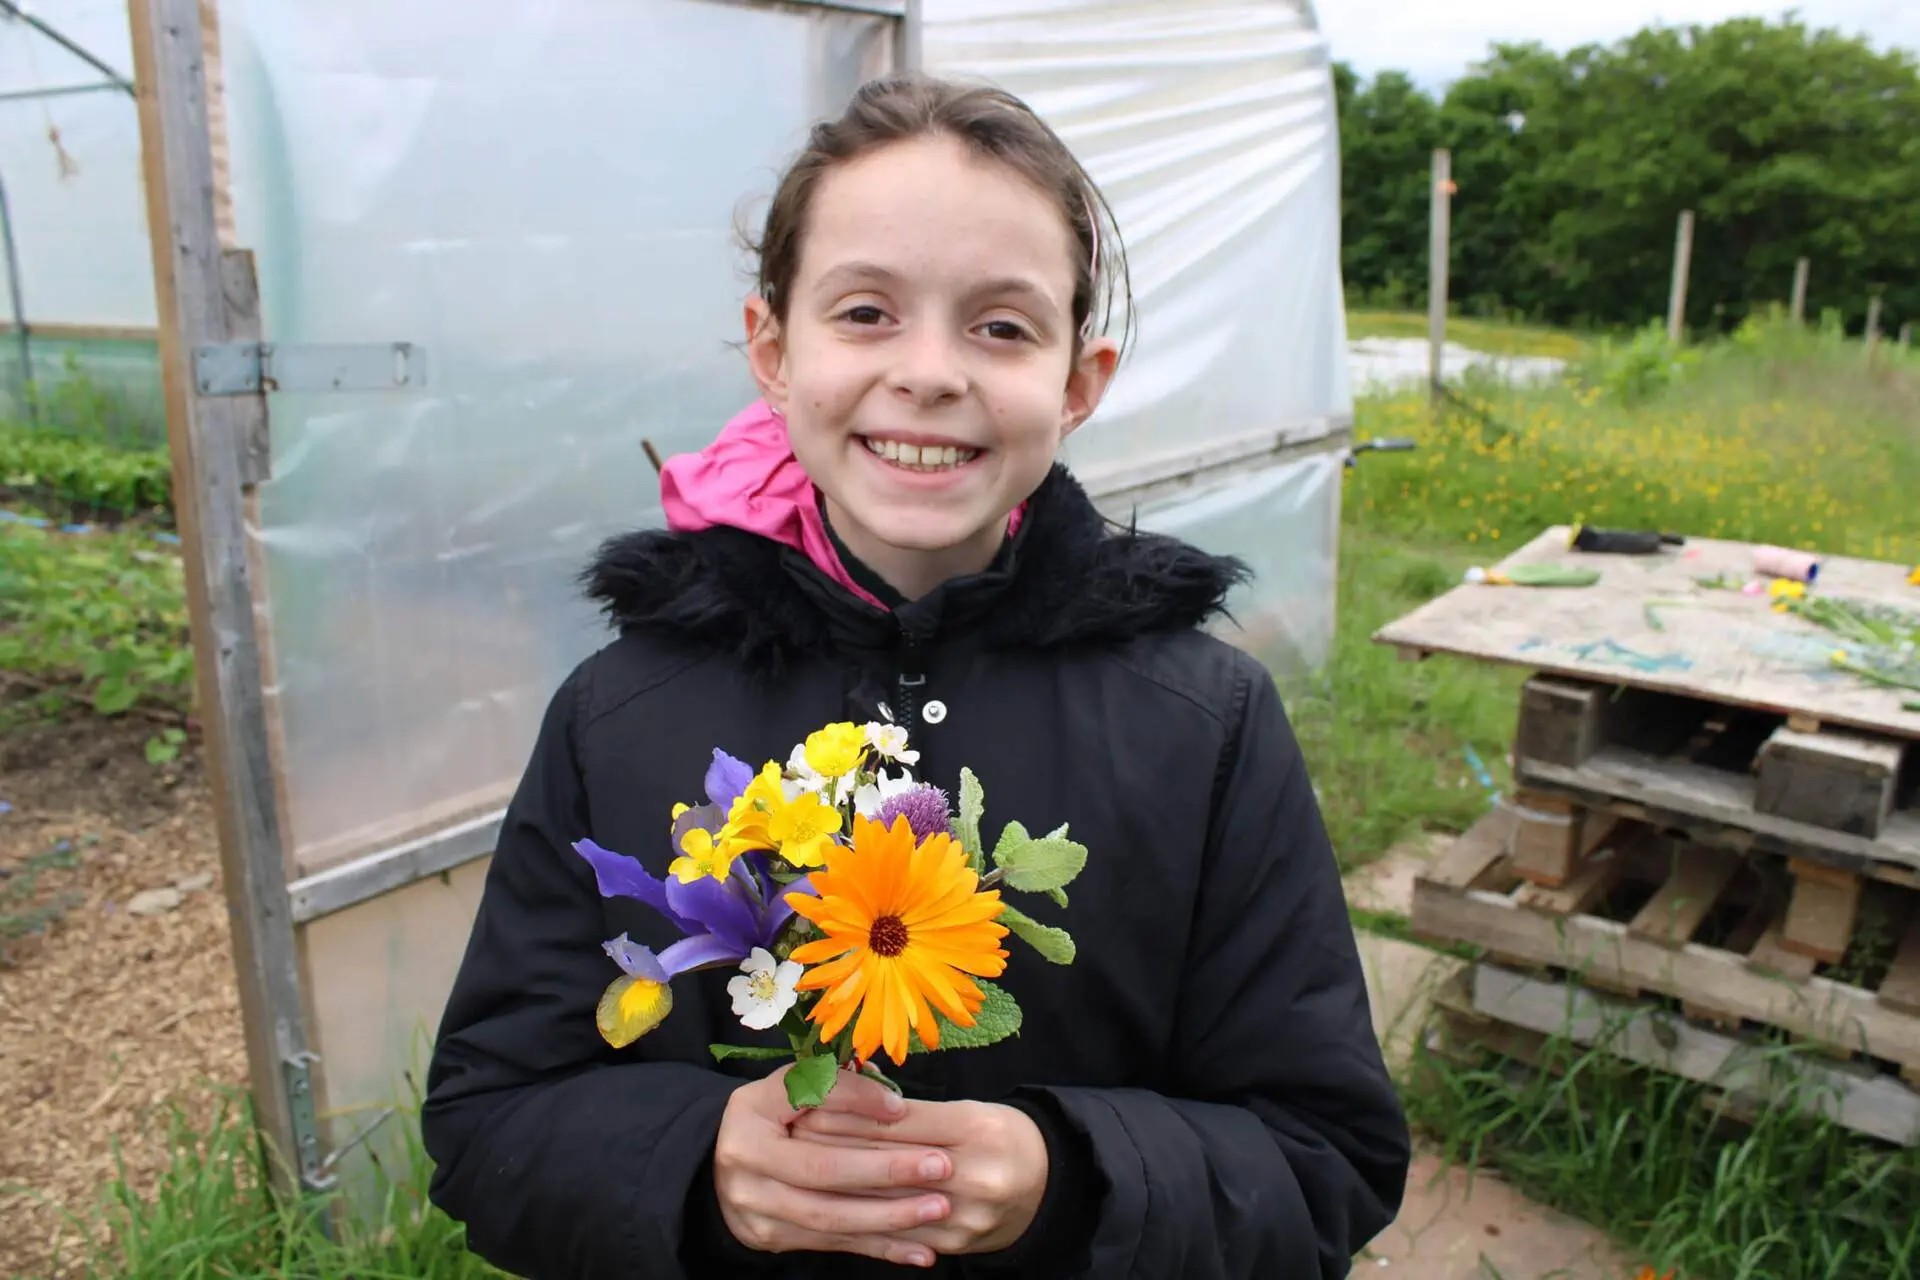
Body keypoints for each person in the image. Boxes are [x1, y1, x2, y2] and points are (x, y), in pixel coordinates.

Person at [422, 71, 1409, 1279]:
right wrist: (696, 1157)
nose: (931, 371)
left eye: (1001, 325)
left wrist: (1069, 1172)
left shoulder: (1202, 722)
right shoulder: (619, 712)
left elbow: (1329, 1158)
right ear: (773, 351)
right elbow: (485, 1121)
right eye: (867, 312)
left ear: (1078, 382)